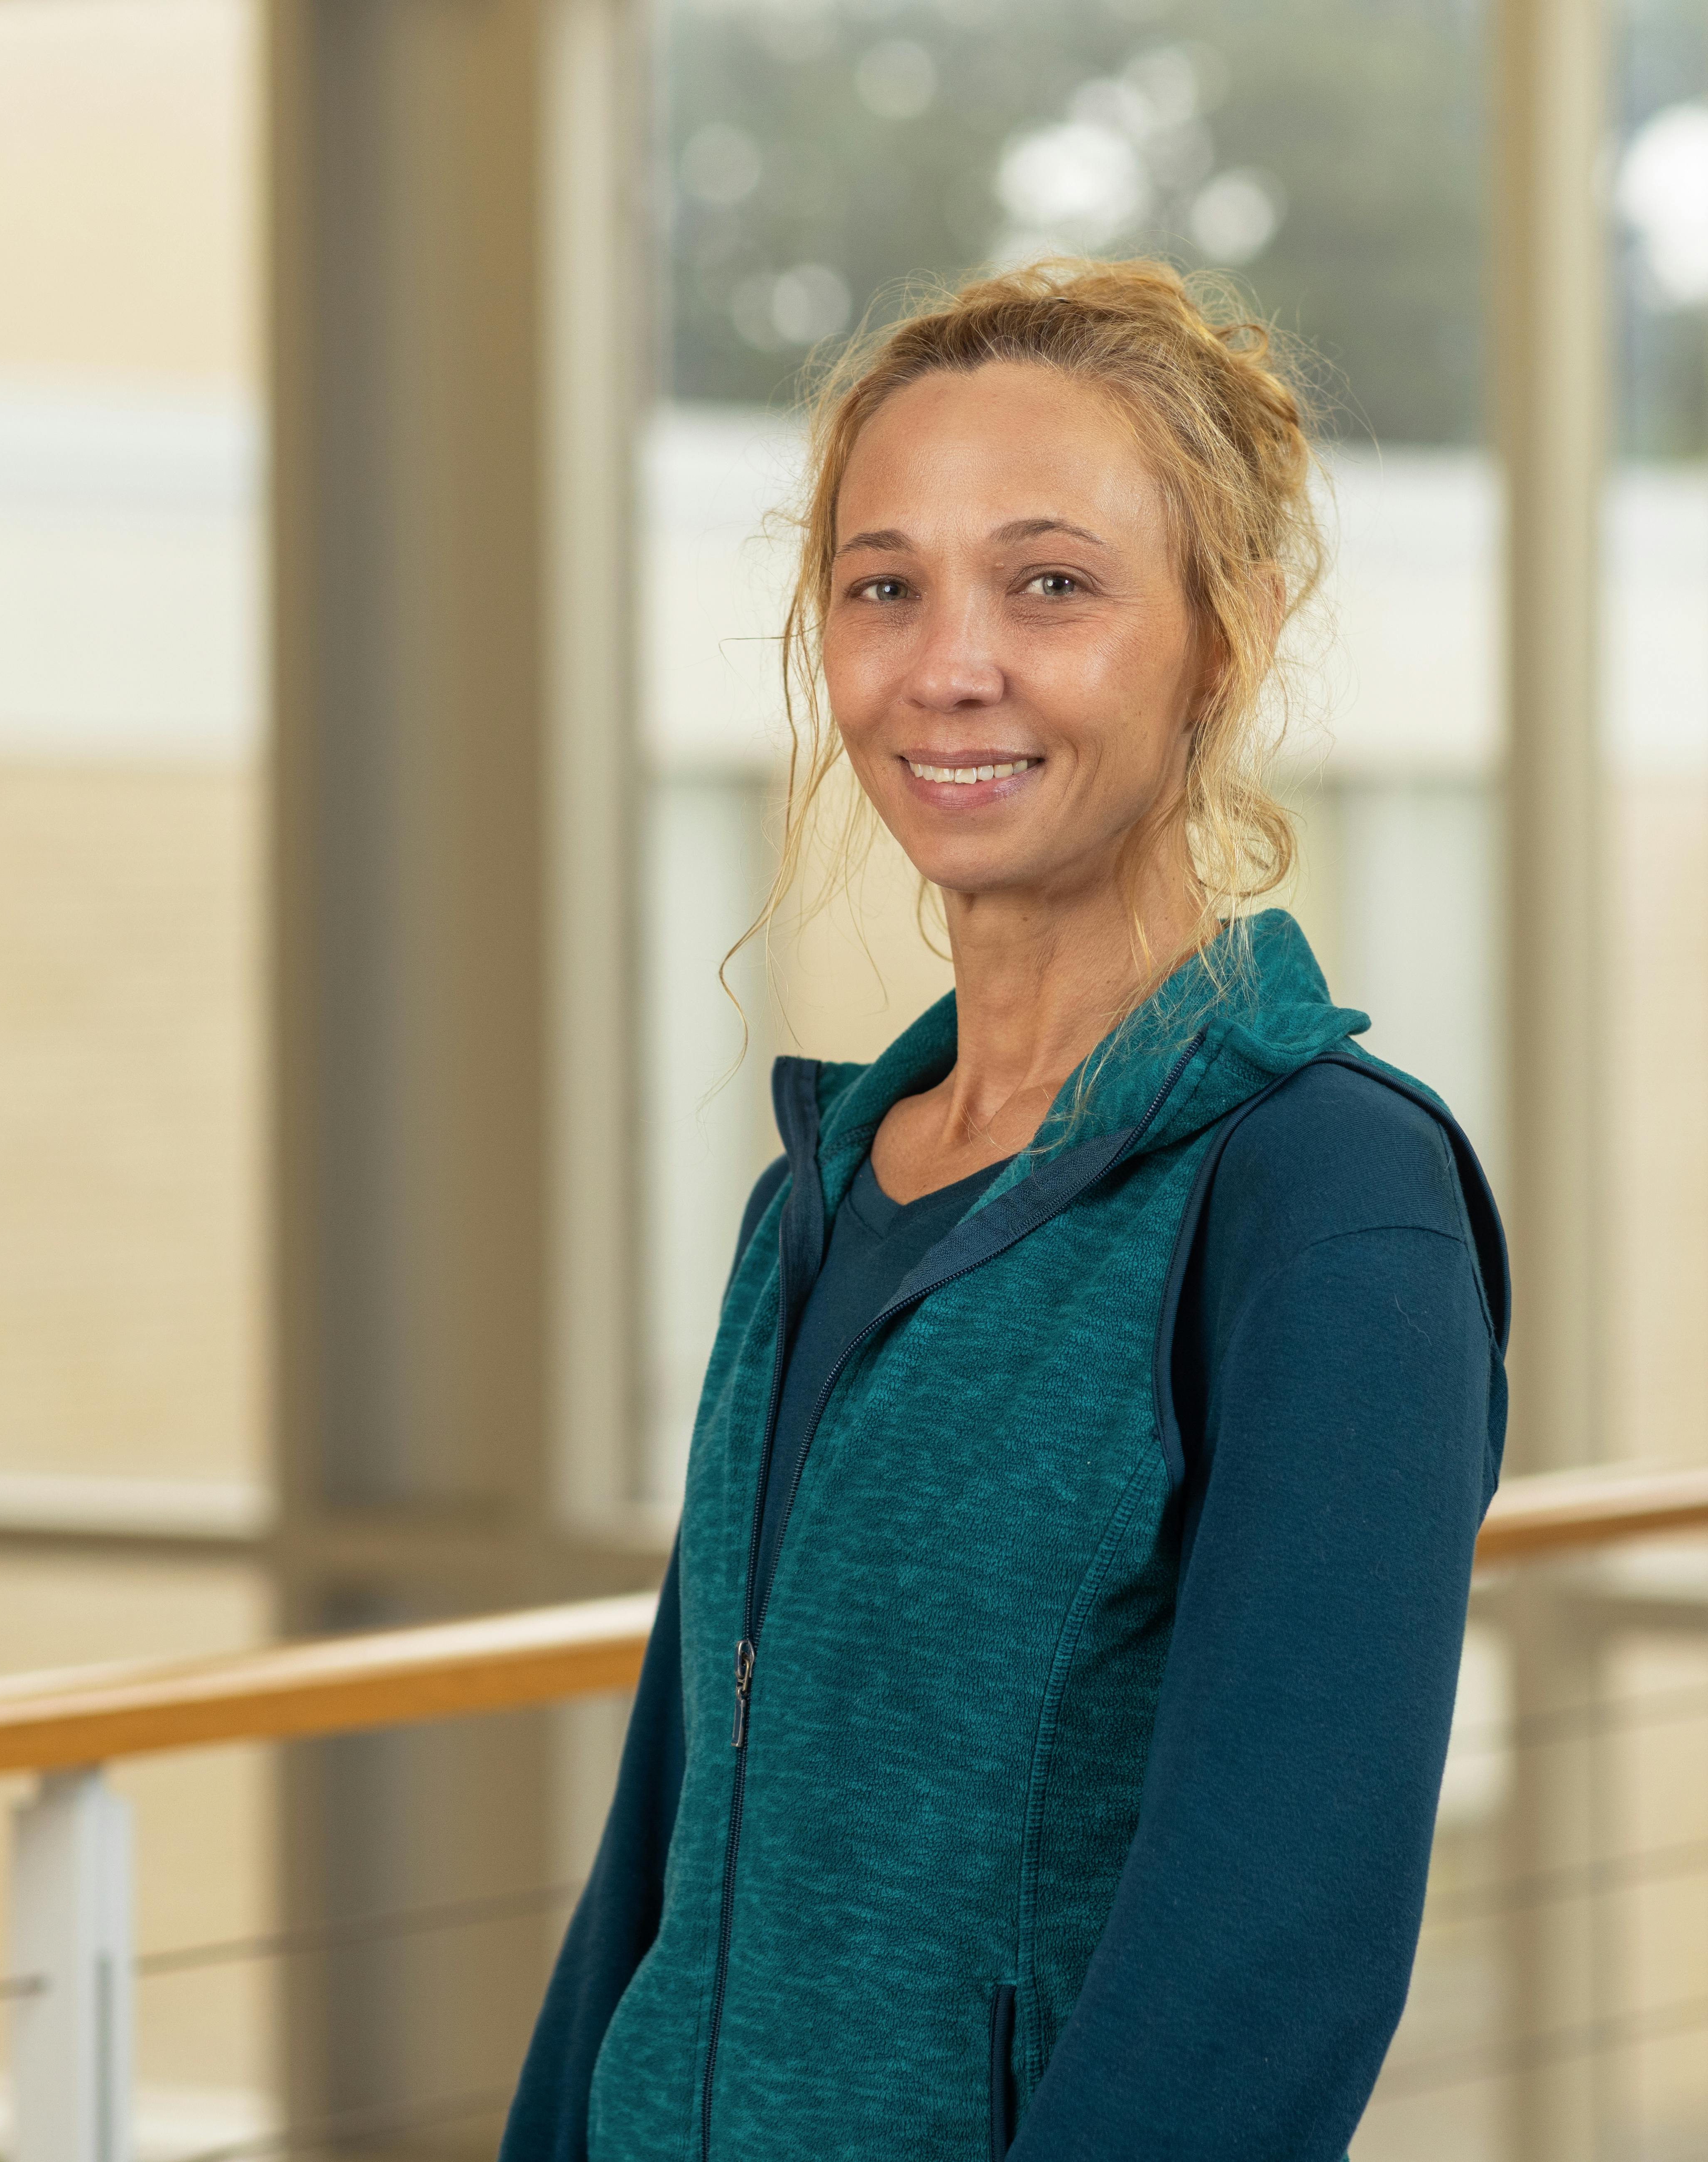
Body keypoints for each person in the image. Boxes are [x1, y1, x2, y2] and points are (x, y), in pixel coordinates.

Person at [501, 257, 1509, 2162]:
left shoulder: (1324, 1202)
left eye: (1048, 583)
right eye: (883, 586)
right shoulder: (821, 1193)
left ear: (1226, 635)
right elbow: (664, 1835)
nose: (947, 663)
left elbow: (1270, 1961)